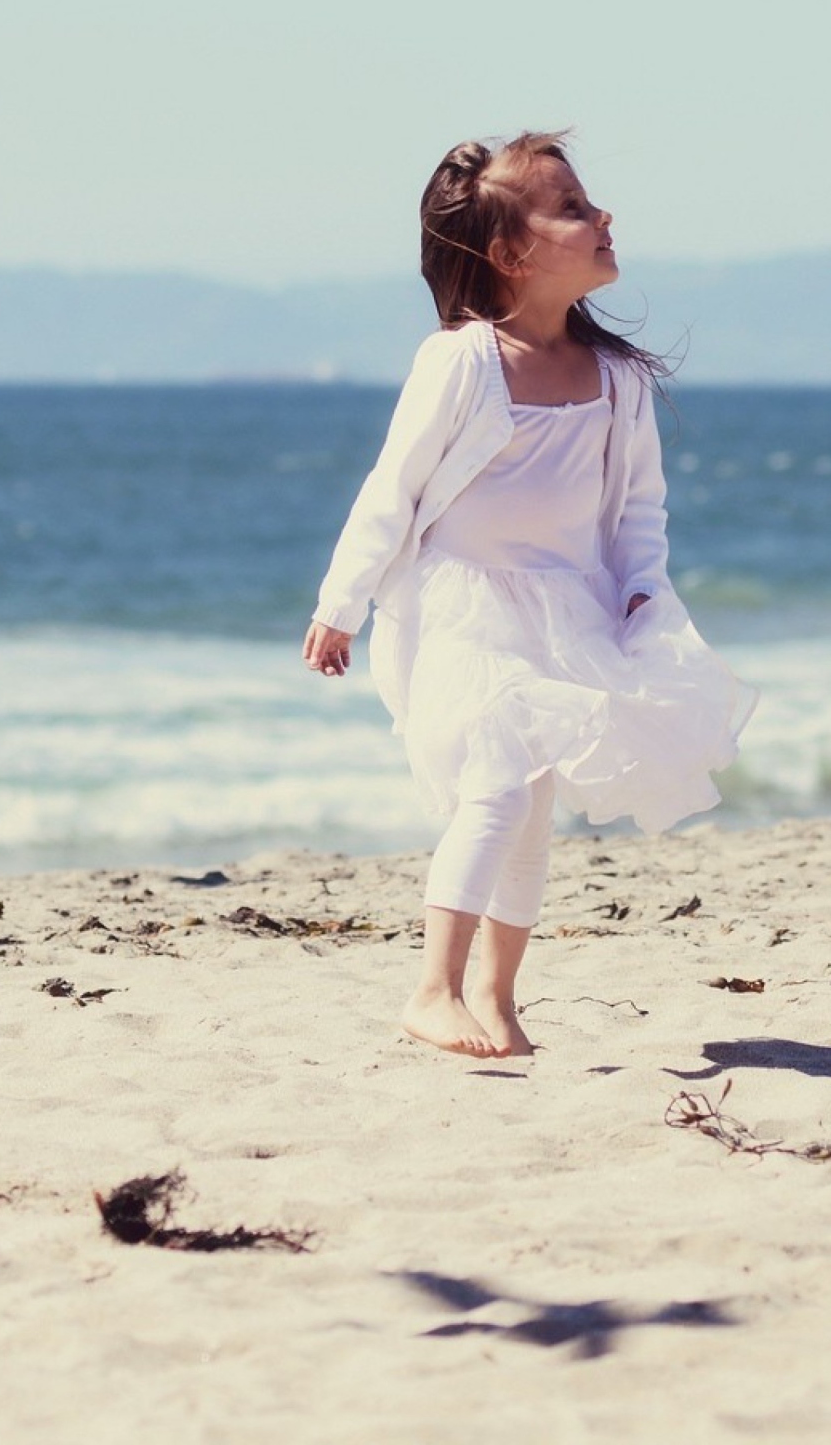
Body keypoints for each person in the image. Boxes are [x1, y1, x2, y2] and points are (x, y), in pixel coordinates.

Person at [302, 131, 755, 1059]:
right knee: (497, 786)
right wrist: (339, 604)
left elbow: (637, 509)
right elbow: (392, 488)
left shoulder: (618, 380)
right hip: (465, 609)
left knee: (535, 812)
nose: (602, 217)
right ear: (511, 255)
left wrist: (640, 594)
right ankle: (432, 989)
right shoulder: (463, 363)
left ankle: (499, 998)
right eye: (574, 208)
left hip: (570, 611)